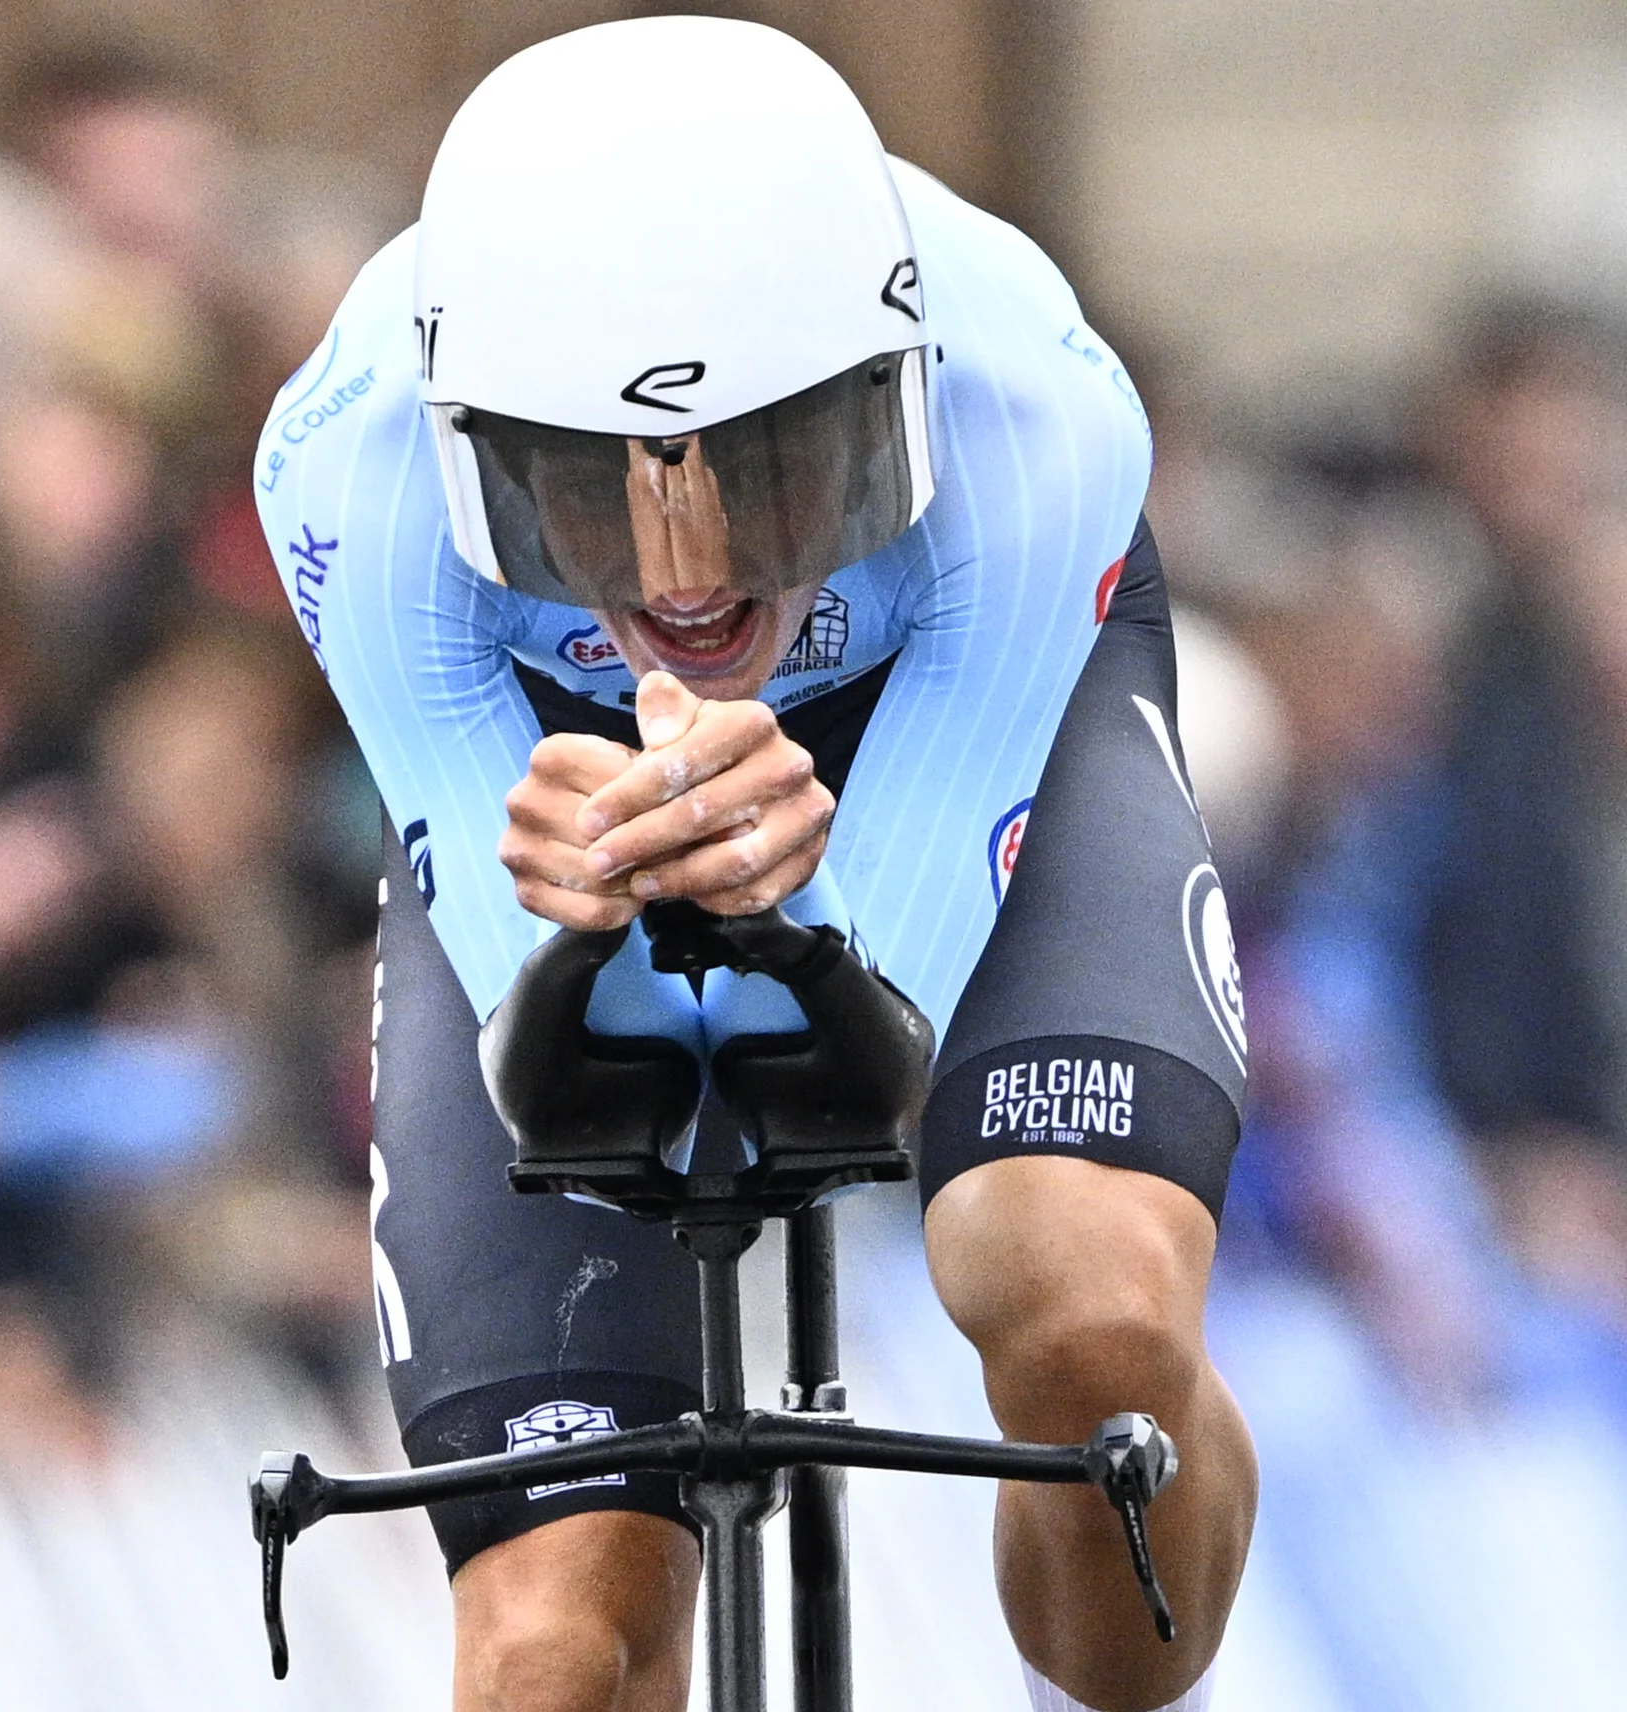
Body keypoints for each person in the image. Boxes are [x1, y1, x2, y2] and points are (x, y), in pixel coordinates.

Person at [254, 20, 1252, 1712]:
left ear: (892, 393)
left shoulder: (1036, 404)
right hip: (572, 786)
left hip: (954, 715)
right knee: (554, 1646)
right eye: (589, 487)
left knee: (1087, 1319)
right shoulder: (347, 467)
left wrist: (809, 925)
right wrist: (582, 928)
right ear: (470, 443)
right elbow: (566, 1074)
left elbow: (865, 1057)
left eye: (778, 467)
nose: (690, 571)